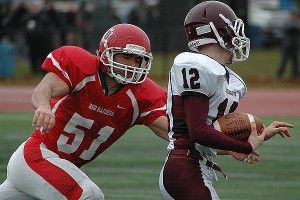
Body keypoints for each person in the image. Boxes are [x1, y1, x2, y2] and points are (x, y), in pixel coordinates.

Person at [0, 23, 168, 200]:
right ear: (106, 52)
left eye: (138, 60)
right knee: (87, 194)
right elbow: (44, 87)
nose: (132, 65)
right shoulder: (82, 67)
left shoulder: (142, 95)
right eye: (126, 57)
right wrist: (43, 106)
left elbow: (173, 132)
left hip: (57, 168)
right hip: (37, 156)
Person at [158, 1, 294, 200]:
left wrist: (259, 135)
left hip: (192, 166)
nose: (237, 37)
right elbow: (197, 132)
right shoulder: (197, 65)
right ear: (216, 32)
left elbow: (209, 136)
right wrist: (244, 147)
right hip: (185, 167)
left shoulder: (225, 77)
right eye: (232, 30)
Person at [277, 10, 300, 80]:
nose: (293, 17)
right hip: (287, 45)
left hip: (295, 44)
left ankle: (295, 75)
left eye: (294, 16)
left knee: (295, 61)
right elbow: (282, 32)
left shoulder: (298, 23)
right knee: (284, 60)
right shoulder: (287, 23)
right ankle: (279, 74)